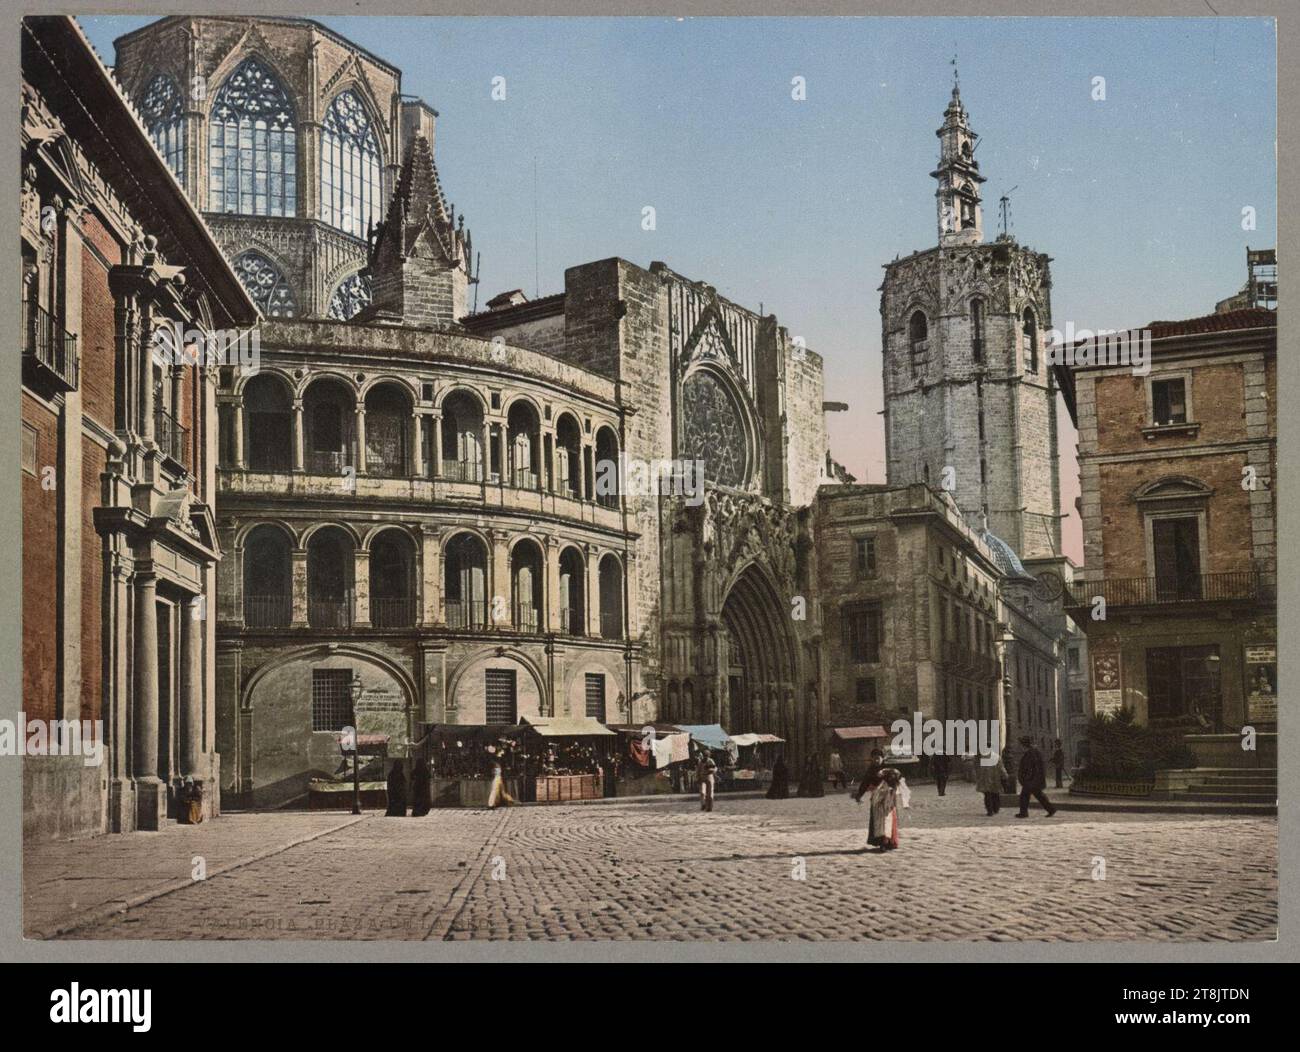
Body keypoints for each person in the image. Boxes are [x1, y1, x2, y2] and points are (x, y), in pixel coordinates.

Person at [1016, 735, 1057, 817]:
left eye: (1021, 744)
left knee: (1024, 796)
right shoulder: (1034, 752)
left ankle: (1024, 813)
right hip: (1034, 779)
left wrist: (1026, 778)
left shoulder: (1030, 753)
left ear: (1024, 745)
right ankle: (1051, 809)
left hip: (1031, 780)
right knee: (1038, 795)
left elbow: (1029, 767)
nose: (1020, 746)